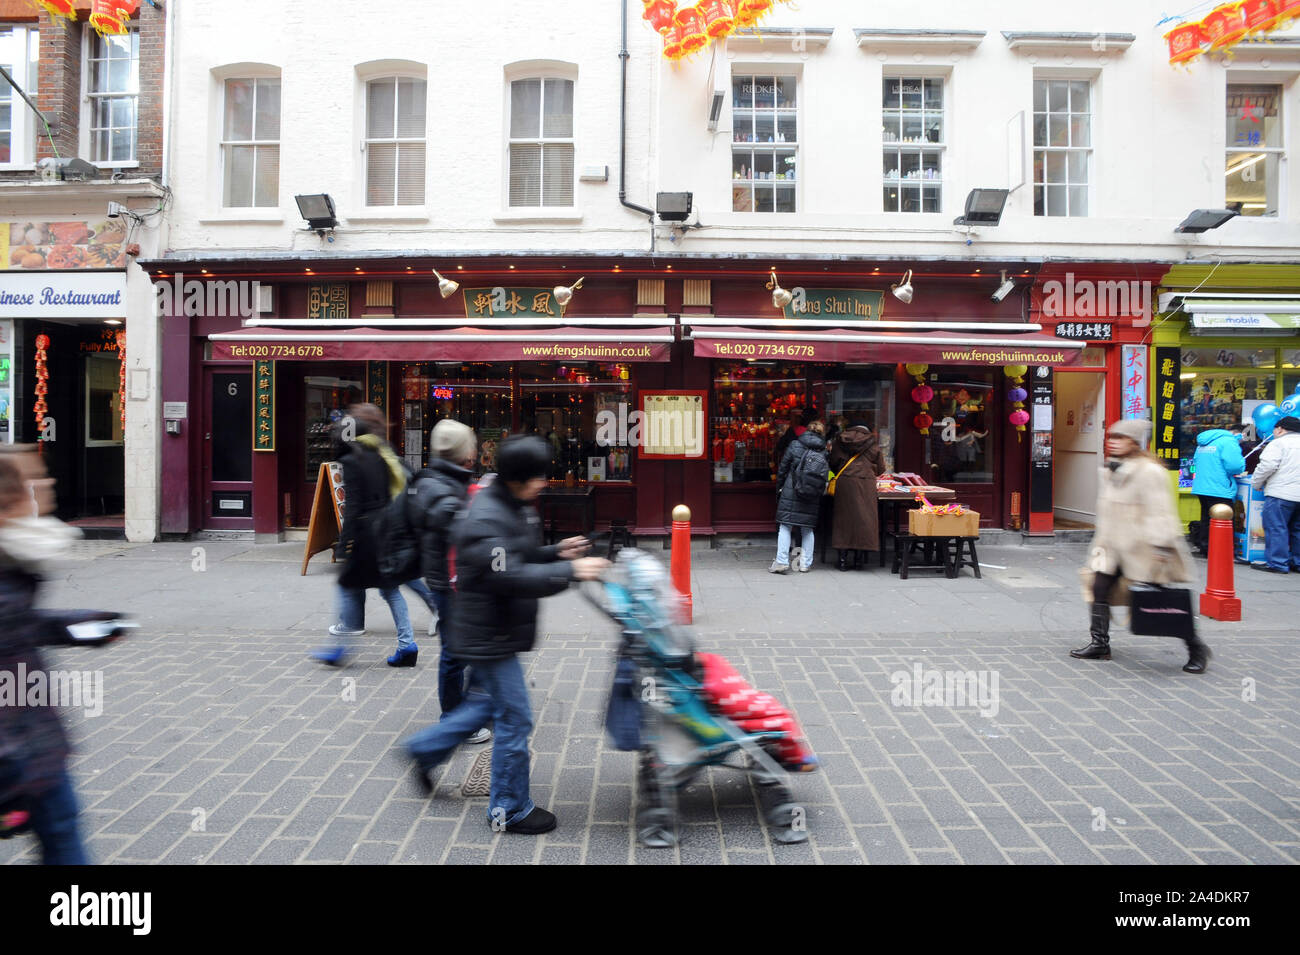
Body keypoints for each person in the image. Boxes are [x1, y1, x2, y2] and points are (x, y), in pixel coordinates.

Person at [403, 436, 609, 834]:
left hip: (496, 629)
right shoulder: (485, 518)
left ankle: (423, 750)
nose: (544, 483)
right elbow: (508, 574)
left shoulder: (510, 503)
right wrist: (571, 572)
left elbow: (519, 555)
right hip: (486, 634)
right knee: (515, 716)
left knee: (484, 707)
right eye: (538, 477)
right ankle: (509, 809)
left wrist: (557, 551)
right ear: (518, 478)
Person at [0, 451, 126, 864]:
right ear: (11, 500)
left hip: (29, 749)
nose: (50, 484)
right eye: (36, 479)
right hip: (25, 754)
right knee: (63, 840)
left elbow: (20, 625)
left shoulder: (14, 561)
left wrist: (81, 625)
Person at [1073, 419, 1210, 673]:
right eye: (1112, 436)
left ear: (1134, 442)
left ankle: (1196, 647)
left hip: (1143, 548)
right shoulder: (1110, 468)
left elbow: (1160, 511)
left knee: (1164, 600)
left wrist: (1161, 547)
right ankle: (1100, 644)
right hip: (1112, 546)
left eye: (1120, 437)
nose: (1113, 441)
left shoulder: (1150, 471)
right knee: (1098, 588)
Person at [312, 403, 420, 668]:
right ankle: (408, 645)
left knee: (348, 587)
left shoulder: (351, 460)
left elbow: (354, 507)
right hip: (385, 527)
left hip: (364, 533)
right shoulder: (380, 454)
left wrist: (343, 543)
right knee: (390, 589)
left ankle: (340, 648)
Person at [408, 419, 490, 744]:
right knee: (455, 653)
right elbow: (456, 528)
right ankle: (454, 719)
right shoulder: (439, 486)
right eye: (470, 445)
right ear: (463, 452)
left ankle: (472, 710)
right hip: (451, 582)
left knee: (470, 648)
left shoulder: (445, 478)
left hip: (458, 580)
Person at [770, 420, 829, 574]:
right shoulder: (823, 450)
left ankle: (782, 562)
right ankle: (804, 564)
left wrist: (779, 489)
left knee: (785, 526)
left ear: (806, 430)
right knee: (807, 529)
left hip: (792, 489)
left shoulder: (795, 444)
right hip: (811, 493)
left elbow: (783, 468)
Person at [828, 421, 886, 572]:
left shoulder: (840, 440)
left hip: (845, 483)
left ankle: (842, 560)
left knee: (843, 520)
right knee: (863, 520)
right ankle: (859, 561)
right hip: (865, 484)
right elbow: (881, 468)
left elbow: (833, 462)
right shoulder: (872, 442)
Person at [1250, 415, 1300, 574]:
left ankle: (1278, 563)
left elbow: (1267, 466)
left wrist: (1256, 483)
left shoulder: (1278, 444)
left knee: (1276, 528)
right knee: (1298, 530)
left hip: (1281, 494)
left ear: (1280, 429)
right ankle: (1297, 562)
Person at [1190, 423, 1246, 556]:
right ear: (1238, 433)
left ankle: (1206, 548)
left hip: (1201, 486)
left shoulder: (1204, 442)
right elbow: (1235, 466)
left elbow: (1196, 461)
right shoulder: (1229, 441)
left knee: (1207, 518)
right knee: (1223, 519)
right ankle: (1222, 551)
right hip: (1219, 487)